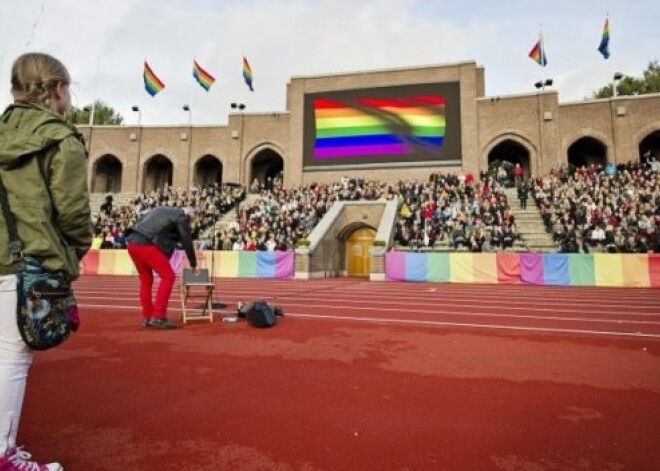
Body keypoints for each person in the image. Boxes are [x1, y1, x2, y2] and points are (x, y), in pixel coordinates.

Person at [0, 52, 92, 471]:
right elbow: (72, 212)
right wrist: (74, 252)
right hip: (28, 261)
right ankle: (4, 453)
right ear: (56, 89)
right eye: (67, 89)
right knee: (14, 356)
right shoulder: (60, 138)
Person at [126, 206, 199, 329]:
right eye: (190, 221)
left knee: (146, 281)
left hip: (132, 243)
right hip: (146, 245)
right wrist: (193, 263)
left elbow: (140, 222)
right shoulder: (181, 217)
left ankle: (148, 316)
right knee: (168, 276)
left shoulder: (160, 209)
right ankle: (158, 316)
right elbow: (186, 240)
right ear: (188, 216)